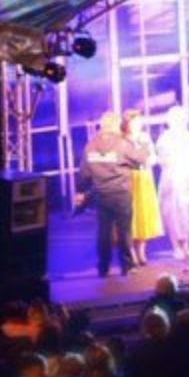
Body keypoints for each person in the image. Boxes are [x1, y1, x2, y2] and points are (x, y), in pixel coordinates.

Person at [76, 111, 146, 278]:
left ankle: (103, 267)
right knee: (124, 232)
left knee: (104, 232)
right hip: (121, 193)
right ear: (115, 125)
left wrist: (80, 190)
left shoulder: (90, 146)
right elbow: (139, 160)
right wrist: (141, 145)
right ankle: (127, 267)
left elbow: (84, 173)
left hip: (101, 194)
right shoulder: (122, 143)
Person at [157, 106, 189, 260]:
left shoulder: (187, 136)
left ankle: (187, 244)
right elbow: (162, 160)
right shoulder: (165, 138)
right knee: (174, 213)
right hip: (173, 177)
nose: (181, 121)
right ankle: (176, 246)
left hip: (188, 175)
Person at [125, 110, 162, 267]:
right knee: (132, 215)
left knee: (144, 215)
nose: (137, 124)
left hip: (144, 177)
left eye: (139, 121)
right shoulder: (123, 139)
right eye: (134, 122)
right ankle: (131, 252)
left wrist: (150, 159)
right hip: (129, 179)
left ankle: (141, 251)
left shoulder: (145, 138)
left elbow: (153, 156)